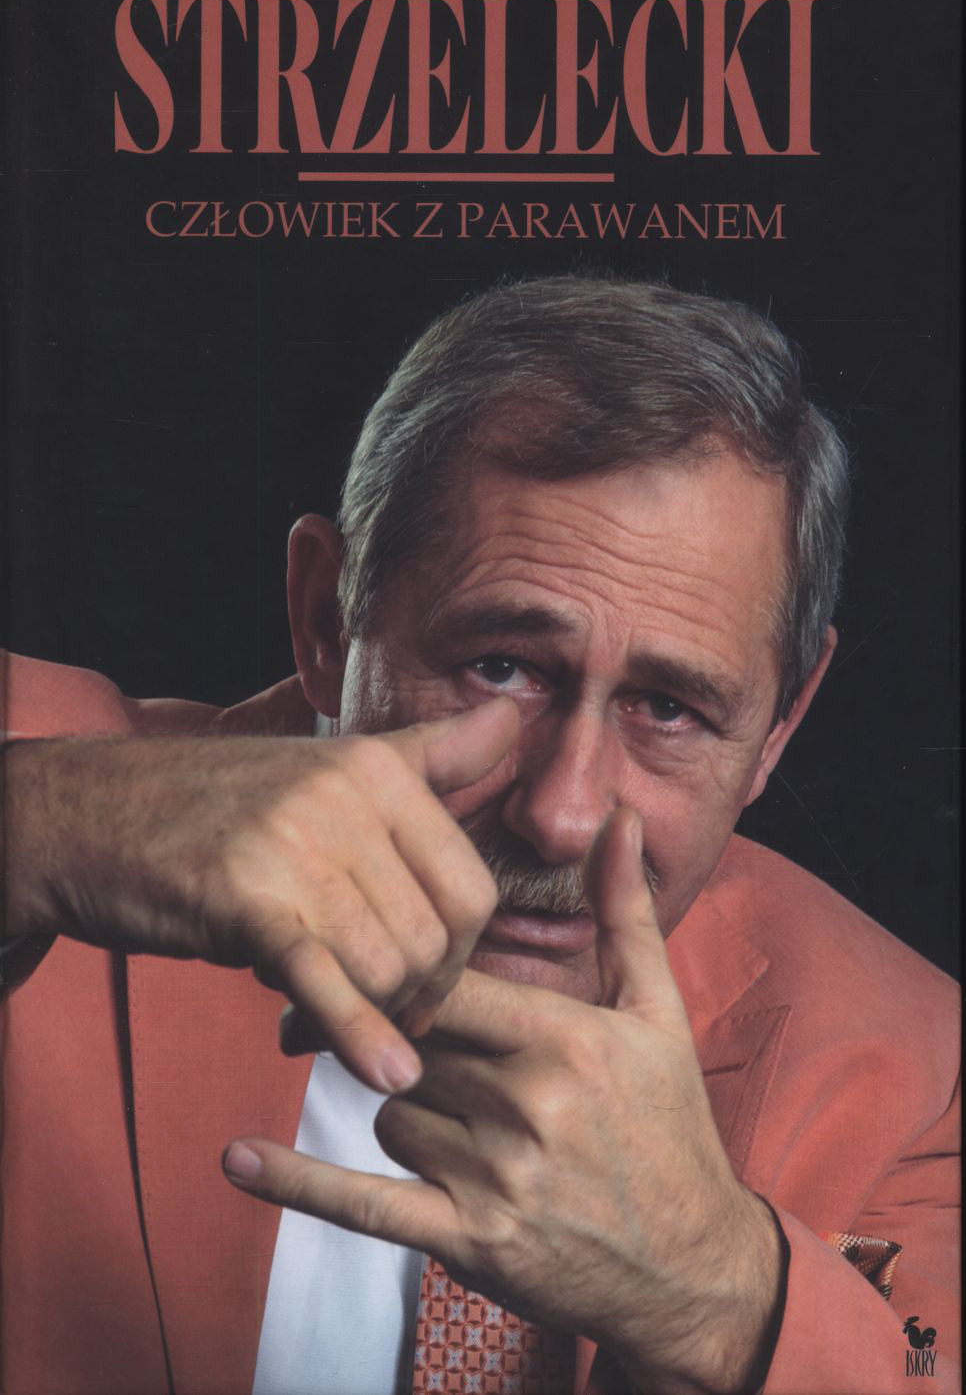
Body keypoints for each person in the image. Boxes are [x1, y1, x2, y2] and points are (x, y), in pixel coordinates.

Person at [1, 277, 958, 1395]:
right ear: (326, 619)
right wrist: (38, 826)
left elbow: (926, 1362)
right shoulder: (39, 791)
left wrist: (726, 1296)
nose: (561, 813)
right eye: (499, 667)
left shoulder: (914, 1069)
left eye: (670, 709)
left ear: (778, 728)